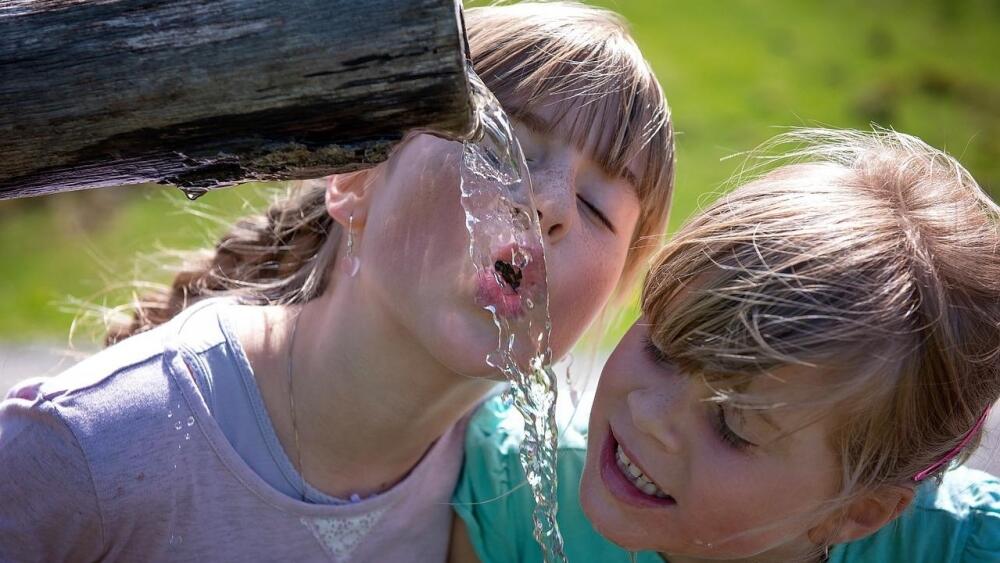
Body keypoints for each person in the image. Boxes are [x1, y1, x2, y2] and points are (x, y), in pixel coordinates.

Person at [0, 3, 674, 561]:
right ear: (355, 179)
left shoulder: (515, 497)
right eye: (505, 150)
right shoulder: (88, 449)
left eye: (596, 208)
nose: (549, 205)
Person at [452, 128, 1000, 562]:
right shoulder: (513, 494)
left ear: (856, 511)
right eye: (662, 349)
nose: (649, 415)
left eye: (733, 425)